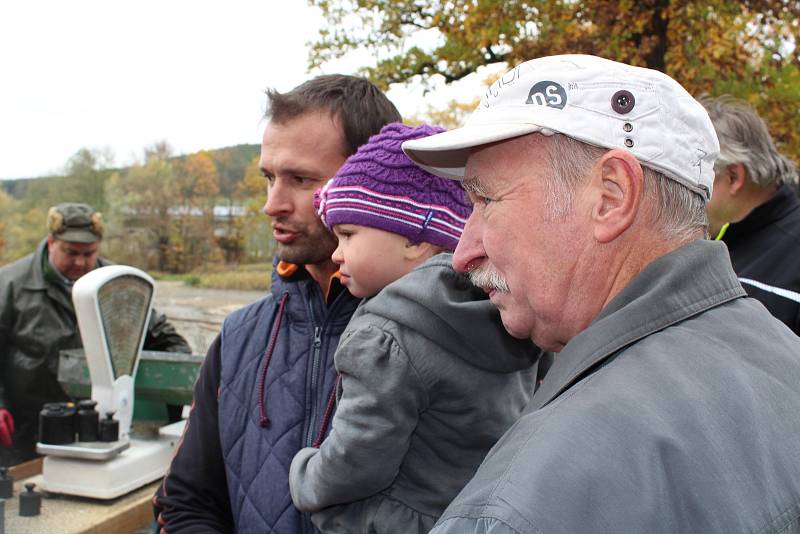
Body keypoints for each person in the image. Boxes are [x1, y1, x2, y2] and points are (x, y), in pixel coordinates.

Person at [401, 54, 800, 533]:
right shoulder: (781, 356)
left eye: (486, 199)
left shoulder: (524, 503)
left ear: (611, 197)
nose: (463, 254)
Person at [153, 75, 402, 533]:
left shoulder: (446, 335)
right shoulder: (238, 337)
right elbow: (184, 503)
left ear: (374, 183)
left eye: (301, 179)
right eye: (269, 178)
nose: (272, 204)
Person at [288, 122, 540, 533]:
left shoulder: (383, 335)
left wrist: (305, 473)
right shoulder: (506, 307)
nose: (336, 253)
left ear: (414, 239)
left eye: (348, 234)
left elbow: (357, 460)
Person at [0, 202, 190, 466]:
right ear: (51, 242)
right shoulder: (9, 285)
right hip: (24, 433)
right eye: (71, 252)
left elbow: (168, 341)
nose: (80, 261)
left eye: (88, 253)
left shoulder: (119, 286)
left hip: (96, 430)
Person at [700, 96, 800, 335]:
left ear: (734, 177)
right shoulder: (726, 237)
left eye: (699, 175)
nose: (691, 189)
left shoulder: (793, 252)